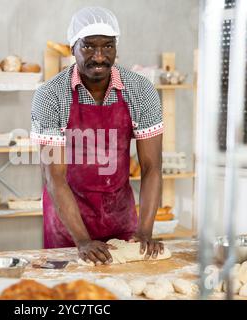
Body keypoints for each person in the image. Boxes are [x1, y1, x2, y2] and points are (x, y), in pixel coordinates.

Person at [31, 7, 164, 265]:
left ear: (116, 47)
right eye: (89, 47)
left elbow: (152, 167)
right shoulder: (50, 95)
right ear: (72, 48)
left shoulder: (141, 90)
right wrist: (82, 240)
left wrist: (145, 231)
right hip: (67, 227)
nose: (99, 56)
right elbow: (54, 176)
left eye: (108, 46)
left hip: (121, 219)